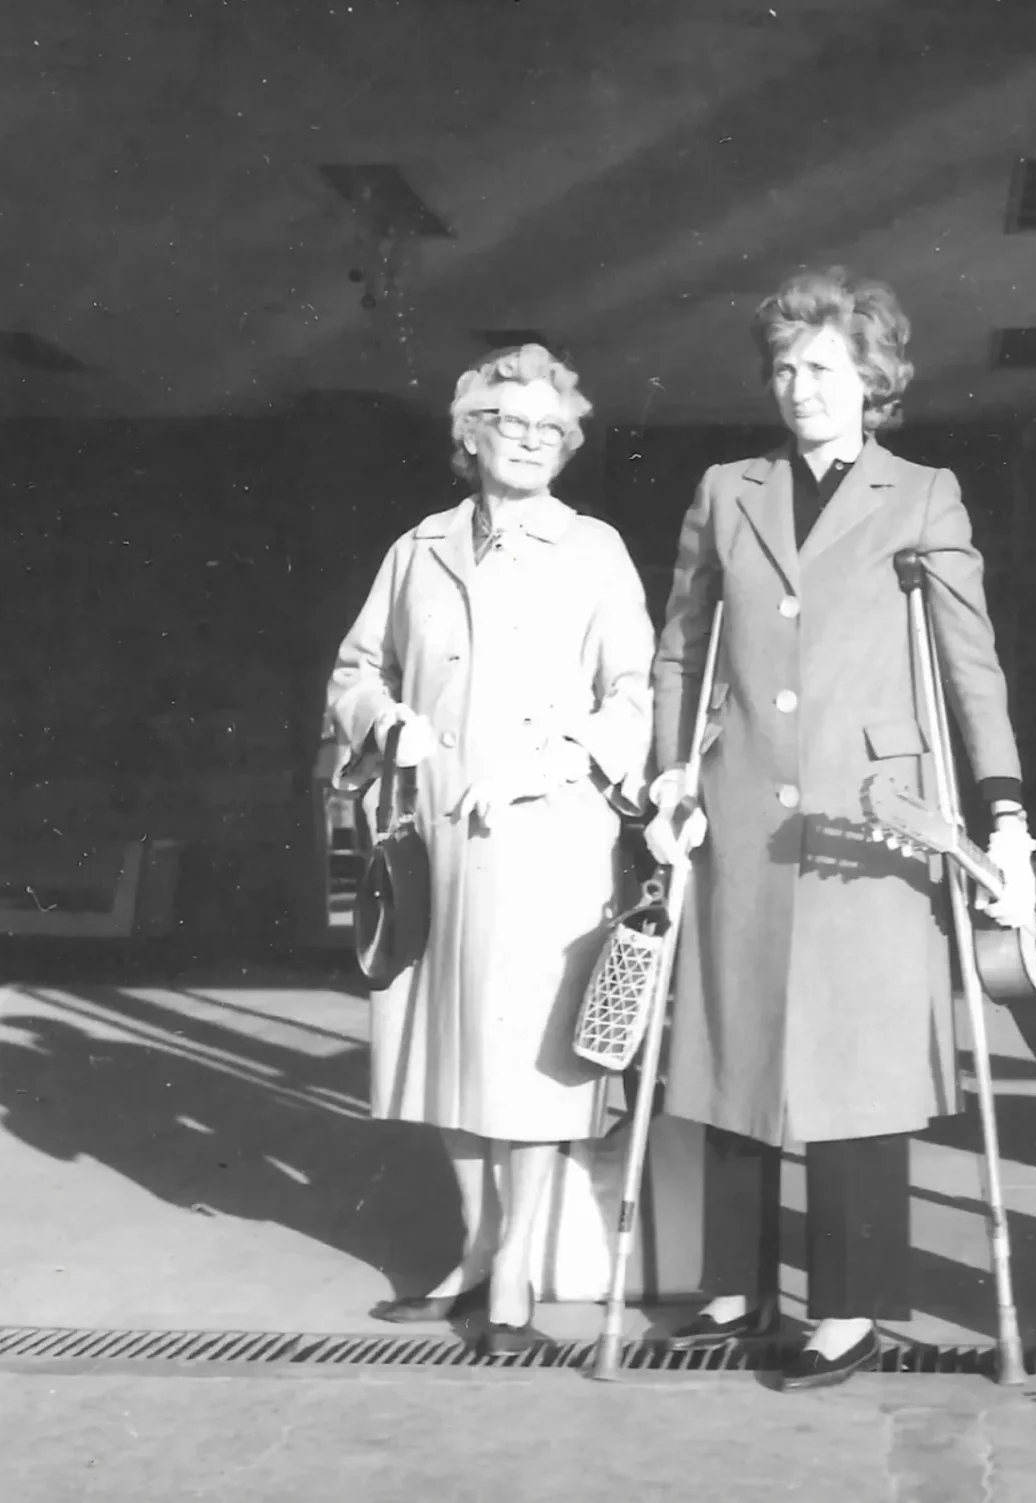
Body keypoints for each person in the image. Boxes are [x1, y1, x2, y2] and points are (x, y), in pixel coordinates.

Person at [646, 267, 1036, 1391]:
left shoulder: (919, 495)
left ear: (872, 380)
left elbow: (968, 661)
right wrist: (672, 773)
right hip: (740, 798)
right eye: (783, 367)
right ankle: (736, 1282)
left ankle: (851, 1309)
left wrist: (1003, 808)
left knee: (854, 1057)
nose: (798, 386)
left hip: (874, 818)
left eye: (821, 367)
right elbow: (685, 643)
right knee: (733, 1031)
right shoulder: (729, 489)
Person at [328, 344, 654, 1352]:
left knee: (534, 1061)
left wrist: (559, 761)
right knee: (447, 1048)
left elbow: (636, 693)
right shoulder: (416, 547)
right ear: (469, 434)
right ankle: (475, 1251)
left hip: (549, 839)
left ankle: (512, 1276)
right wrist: (388, 723)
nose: (529, 442)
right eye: (508, 423)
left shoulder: (595, 549)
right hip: (438, 837)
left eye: (550, 429)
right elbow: (356, 667)